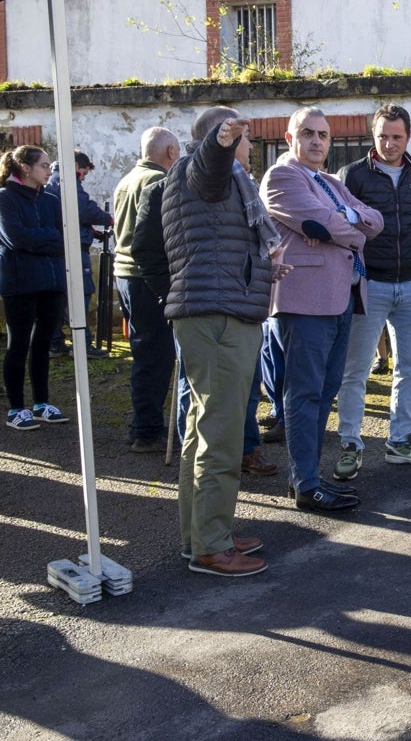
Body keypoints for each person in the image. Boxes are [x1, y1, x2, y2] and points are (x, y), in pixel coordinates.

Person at [161, 107, 287, 577]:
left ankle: (201, 536)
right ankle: (212, 547)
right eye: (246, 138)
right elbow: (209, 166)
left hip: (214, 312)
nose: (251, 146)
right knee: (222, 434)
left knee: (202, 430)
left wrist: (265, 270)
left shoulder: (216, 183)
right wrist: (221, 138)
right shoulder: (203, 169)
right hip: (218, 319)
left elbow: (217, 246)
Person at [262, 107, 381, 512]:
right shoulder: (282, 175)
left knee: (326, 391)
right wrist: (352, 230)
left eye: (324, 135)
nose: (317, 141)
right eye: (308, 133)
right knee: (304, 394)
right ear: (289, 137)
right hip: (304, 301)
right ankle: (305, 483)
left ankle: (308, 476)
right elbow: (317, 223)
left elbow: (375, 222)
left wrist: (345, 221)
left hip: (342, 299)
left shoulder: (330, 181)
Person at [334, 104, 411, 481]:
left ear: (408, 137)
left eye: (397, 136)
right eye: (383, 136)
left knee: (409, 368)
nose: (390, 143)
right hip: (370, 285)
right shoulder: (353, 175)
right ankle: (350, 443)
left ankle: (401, 441)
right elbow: (341, 229)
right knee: (356, 370)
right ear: (372, 136)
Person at [113, 127, 181, 453]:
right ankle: (147, 430)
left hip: (125, 274)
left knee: (143, 352)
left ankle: (141, 423)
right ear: (170, 152)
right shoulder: (156, 182)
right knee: (155, 355)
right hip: (146, 277)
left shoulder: (126, 180)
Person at [0, 146, 71, 431]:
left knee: (43, 344)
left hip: (51, 282)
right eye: (44, 165)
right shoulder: (5, 199)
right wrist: (48, 238)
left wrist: (41, 241)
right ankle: (16, 408)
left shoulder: (51, 200)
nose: (49, 170)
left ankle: (42, 403)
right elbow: (14, 238)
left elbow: (64, 238)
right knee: (19, 344)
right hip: (19, 283)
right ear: (26, 168)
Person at [47, 150, 113, 359]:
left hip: (61, 248)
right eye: (83, 173)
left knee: (61, 298)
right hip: (73, 249)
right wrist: (108, 219)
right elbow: (82, 209)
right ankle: (82, 346)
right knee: (79, 295)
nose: (82, 178)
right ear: (76, 166)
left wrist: (90, 231)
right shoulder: (66, 180)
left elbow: (70, 215)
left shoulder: (54, 181)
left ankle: (55, 343)